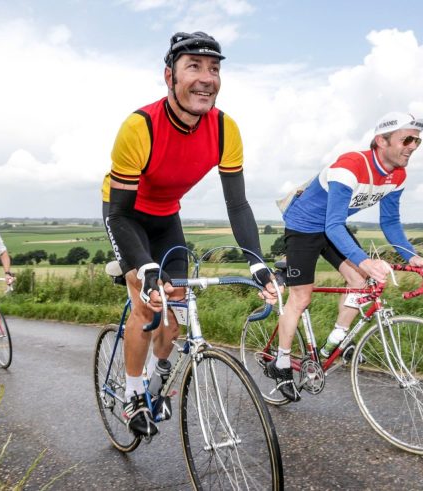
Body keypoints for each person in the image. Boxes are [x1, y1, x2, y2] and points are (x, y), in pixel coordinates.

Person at [101, 31, 280, 438]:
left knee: (175, 315)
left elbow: (238, 205)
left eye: (214, 68)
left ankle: (158, 377)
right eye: (194, 67)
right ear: (170, 76)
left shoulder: (224, 129)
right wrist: (144, 267)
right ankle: (131, 396)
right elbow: (120, 214)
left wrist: (257, 262)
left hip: (167, 215)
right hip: (126, 215)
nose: (206, 77)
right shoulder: (140, 126)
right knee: (148, 304)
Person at [266, 112, 423, 402]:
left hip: (332, 228)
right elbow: (333, 225)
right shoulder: (351, 166)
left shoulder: (398, 175)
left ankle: (335, 341)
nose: (412, 146)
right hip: (305, 227)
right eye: (406, 139)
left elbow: (391, 222)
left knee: (360, 281)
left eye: (417, 141)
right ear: (381, 141)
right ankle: (281, 362)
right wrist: (365, 259)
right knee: (301, 298)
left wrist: (412, 257)